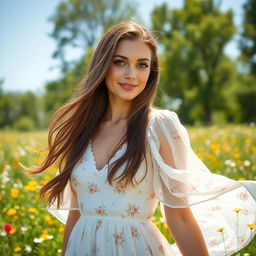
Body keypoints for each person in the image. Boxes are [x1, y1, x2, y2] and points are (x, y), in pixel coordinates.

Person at [24, 21, 256, 256]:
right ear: (103, 65)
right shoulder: (82, 130)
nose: (131, 75)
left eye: (142, 65)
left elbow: (180, 216)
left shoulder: (158, 126)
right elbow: (76, 213)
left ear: (151, 71)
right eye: (120, 62)